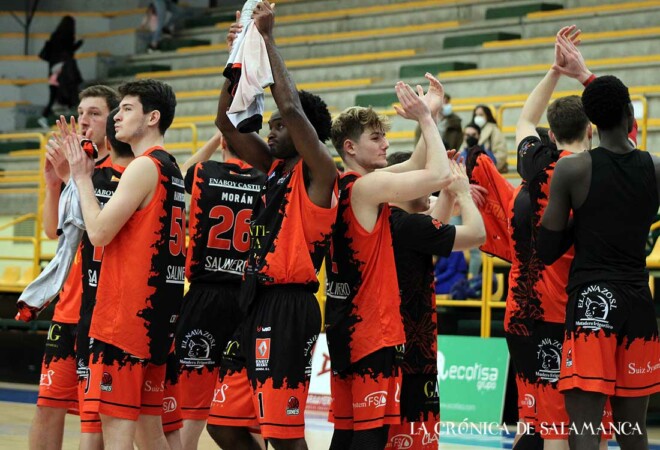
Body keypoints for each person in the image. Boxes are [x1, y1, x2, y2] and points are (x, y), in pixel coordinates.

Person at [466, 26, 610, 450]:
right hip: (586, 315)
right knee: (590, 429)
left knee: (540, 425)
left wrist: (555, 71)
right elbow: (625, 129)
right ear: (590, 131)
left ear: (550, 136)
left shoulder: (537, 168)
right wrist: (583, 75)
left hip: (528, 313)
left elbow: (525, 119)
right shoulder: (606, 173)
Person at [216, 2, 338, 448]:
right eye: (269, 125)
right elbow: (224, 123)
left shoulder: (320, 172)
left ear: (303, 131)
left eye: (278, 127)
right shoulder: (272, 167)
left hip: (290, 306)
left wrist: (266, 40)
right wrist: (236, 62)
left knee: (283, 435)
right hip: (254, 301)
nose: (270, 131)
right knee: (223, 422)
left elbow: (290, 105)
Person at [326, 73, 452, 450]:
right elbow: (439, 173)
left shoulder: (346, 184)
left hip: (343, 323)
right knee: (371, 435)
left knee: (345, 433)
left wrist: (429, 114)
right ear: (350, 146)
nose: (385, 144)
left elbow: (415, 161)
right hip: (371, 329)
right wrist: (426, 119)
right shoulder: (368, 187)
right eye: (376, 138)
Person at [538, 67, 660, 450]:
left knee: (586, 427)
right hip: (639, 302)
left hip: (593, 300)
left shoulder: (573, 168)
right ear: (630, 114)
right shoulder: (656, 167)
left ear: (591, 123)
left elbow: (546, 248)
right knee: (633, 430)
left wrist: (585, 220)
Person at [63, 78, 184, 449]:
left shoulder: (143, 166)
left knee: (117, 429)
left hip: (126, 318)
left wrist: (81, 177)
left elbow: (99, 232)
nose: (117, 115)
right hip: (159, 317)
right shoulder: (172, 167)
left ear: (152, 118)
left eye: (127, 109)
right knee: (150, 431)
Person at [28, 85, 119, 450]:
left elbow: (102, 231)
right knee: (47, 406)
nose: (83, 121)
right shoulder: (76, 170)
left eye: (94, 113)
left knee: (93, 419)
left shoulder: (124, 170)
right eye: (81, 113)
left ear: (115, 120)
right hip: (67, 309)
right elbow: (53, 231)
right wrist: (54, 184)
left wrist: (73, 179)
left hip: (102, 313)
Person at [385, 151, 485, 449]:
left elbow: (431, 225)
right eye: (426, 181)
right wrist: (461, 194)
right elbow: (477, 234)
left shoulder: (392, 219)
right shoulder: (407, 226)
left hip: (400, 351)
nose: (431, 189)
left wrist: (447, 193)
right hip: (408, 356)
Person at [175, 131, 265, 450]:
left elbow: (178, 175)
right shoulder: (266, 182)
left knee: (191, 407)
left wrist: (216, 137)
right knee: (248, 409)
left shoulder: (203, 172)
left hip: (205, 298)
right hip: (249, 300)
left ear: (225, 143)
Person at [38, 15, 84, 129]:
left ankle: (45, 117)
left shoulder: (54, 36)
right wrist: (78, 45)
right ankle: (49, 116)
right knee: (70, 91)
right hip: (63, 70)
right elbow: (68, 52)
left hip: (53, 72)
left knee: (53, 96)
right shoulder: (68, 37)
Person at [466, 105, 507, 173]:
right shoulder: (469, 130)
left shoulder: (494, 130)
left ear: (487, 116)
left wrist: (490, 168)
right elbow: (463, 150)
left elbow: (501, 153)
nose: (478, 117)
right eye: (476, 115)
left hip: (490, 170)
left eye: (481, 115)